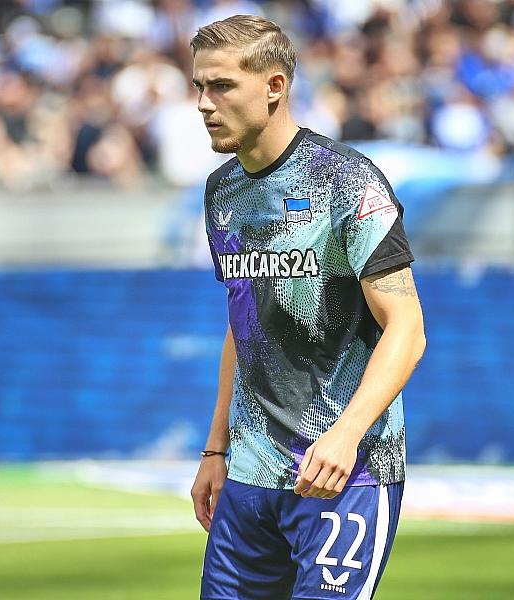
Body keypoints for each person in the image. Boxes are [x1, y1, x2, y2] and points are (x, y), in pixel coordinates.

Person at [189, 15, 426, 600]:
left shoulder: (348, 182)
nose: (204, 103)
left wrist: (345, 435)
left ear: (274, 86)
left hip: (345, 475)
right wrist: (216, 448)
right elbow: (243, 324)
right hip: (249, 478)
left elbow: (407, 327)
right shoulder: (221, 192)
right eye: (200, 86)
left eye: (222, 86)